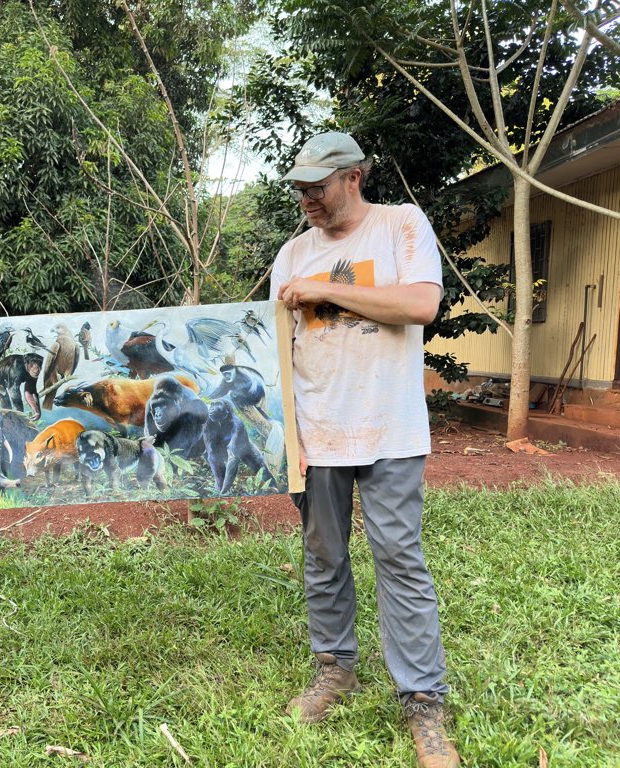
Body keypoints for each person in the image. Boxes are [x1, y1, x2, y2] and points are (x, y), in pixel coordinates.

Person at [270, 133, 459, 768]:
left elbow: (422, 304)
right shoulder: (292, 252)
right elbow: (279, 351)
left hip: (390, 429)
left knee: (399, 558)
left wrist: (327, 290)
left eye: (317, 188)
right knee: (323, 556)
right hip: (317, 434)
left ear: (354, 177)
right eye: (299, 189)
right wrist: (286, 438)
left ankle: (424, 704)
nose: (307, 200)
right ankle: (336, 669)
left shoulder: (401, 226)